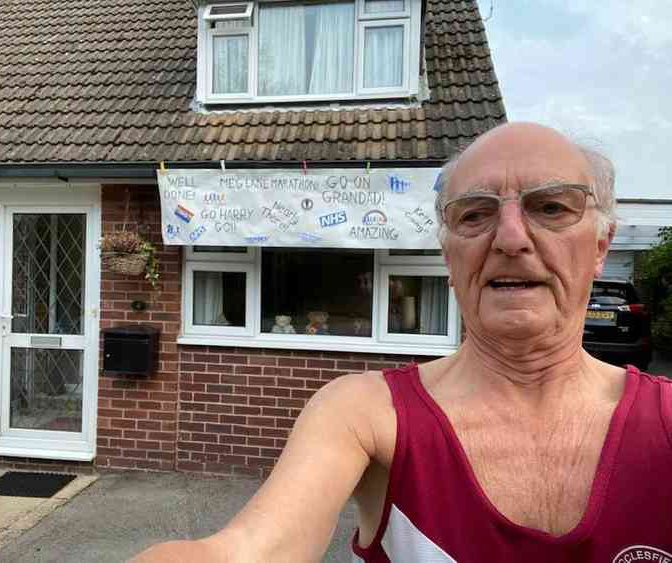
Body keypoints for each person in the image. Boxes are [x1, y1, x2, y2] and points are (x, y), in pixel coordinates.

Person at [132, 123, 672, 562]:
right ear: (448, 257)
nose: (510, 238)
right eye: (475, 215)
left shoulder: (665, 422)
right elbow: (253, 550)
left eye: (551, 208)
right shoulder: (365, 414)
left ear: (601, 245)